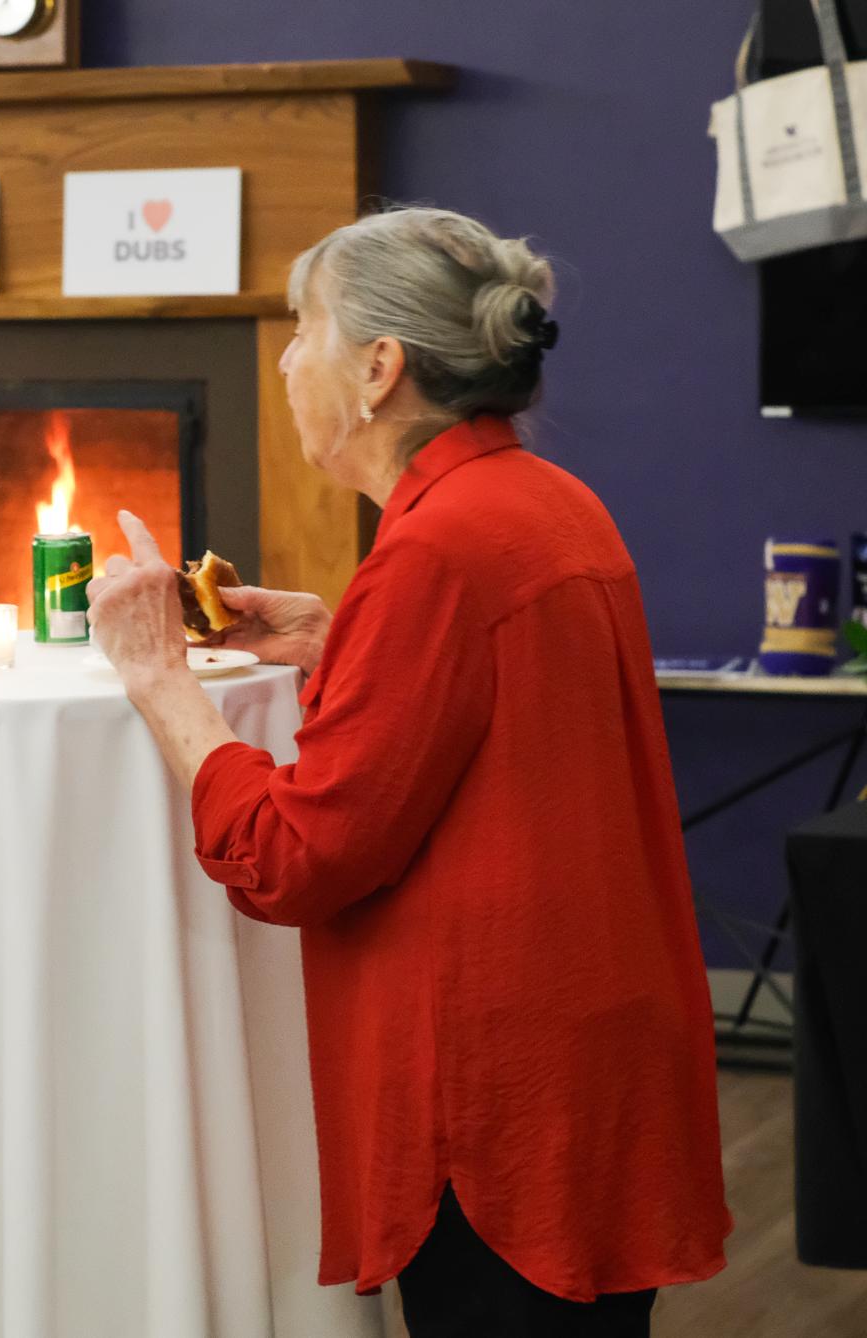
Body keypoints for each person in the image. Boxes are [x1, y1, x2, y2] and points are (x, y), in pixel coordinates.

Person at [87, 207, 730, 1337]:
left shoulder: (437, 549)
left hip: (498, 1090)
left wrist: (163, 687)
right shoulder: (542, 503)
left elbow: (293, 858)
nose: (286, 361)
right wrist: (343, 646)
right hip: (590, 1058)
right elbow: (503, 734)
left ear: (379, 368)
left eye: (301, 330)